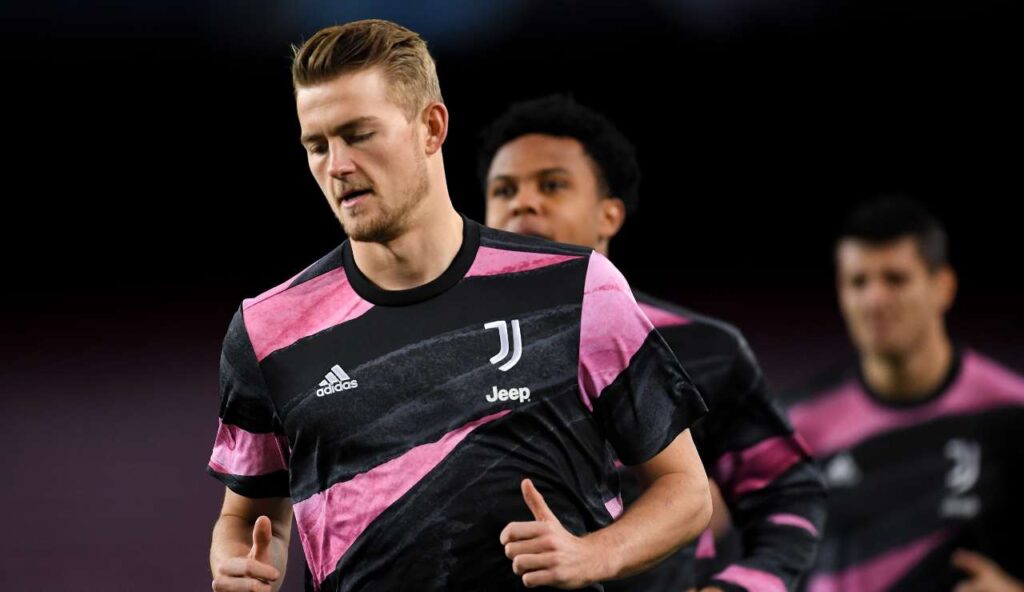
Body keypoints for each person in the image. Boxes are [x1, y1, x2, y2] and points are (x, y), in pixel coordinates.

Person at [206, 20, 713, 592]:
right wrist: (239, 564)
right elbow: (249, 518)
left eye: (359, 134)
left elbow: (685, 491)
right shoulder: (268, 328)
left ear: (431, 127)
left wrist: (593, 555)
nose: (337, 165)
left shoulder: (577, 289)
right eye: (317, 146)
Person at [479, 94, 826, 592]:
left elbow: (788, 490)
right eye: (504, 189)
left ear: (609, 215)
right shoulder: (446, 351)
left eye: (552, 185)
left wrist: (739, 587)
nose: (523, 203)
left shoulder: (703, 348)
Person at [786, 197, 1024, 591]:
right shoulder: (799, 425)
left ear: (943, 287)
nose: (875, 300)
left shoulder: (1010, 413)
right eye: (858, 282)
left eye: (895, 279)